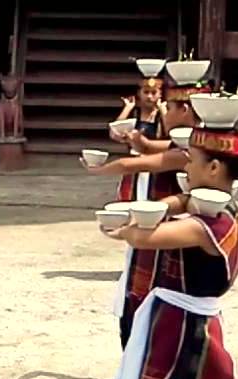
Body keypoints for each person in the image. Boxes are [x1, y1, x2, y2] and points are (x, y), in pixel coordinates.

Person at [94, 100, 238, 379]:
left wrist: (124, 225)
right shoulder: (205, 206)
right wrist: (159, 205)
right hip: (167, 320)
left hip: (191, 331)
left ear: (214, 169)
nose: (186, 168)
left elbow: (147, 238)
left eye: (192, 161)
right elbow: (178, 201)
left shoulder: (212, 224)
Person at [82, 69, 212, 347]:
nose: (164, 109)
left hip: (186, 226)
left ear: (185, 110)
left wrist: (100, 170)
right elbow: (152, 149)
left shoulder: (194, 148)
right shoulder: (199, 141)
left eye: (170, 106)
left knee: (157, 282)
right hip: (176, 214)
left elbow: (143, 161)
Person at [112, 76, 165, 202]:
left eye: (154, 93)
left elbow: (170, 132)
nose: (149, 96)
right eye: (146, 92)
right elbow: (115, 132)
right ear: (139, 93)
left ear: (160, 94)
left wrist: (163, 110)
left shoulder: (162, 115)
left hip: (155, 162)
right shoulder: (134, 113)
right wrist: (127, 108)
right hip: (134, 161)